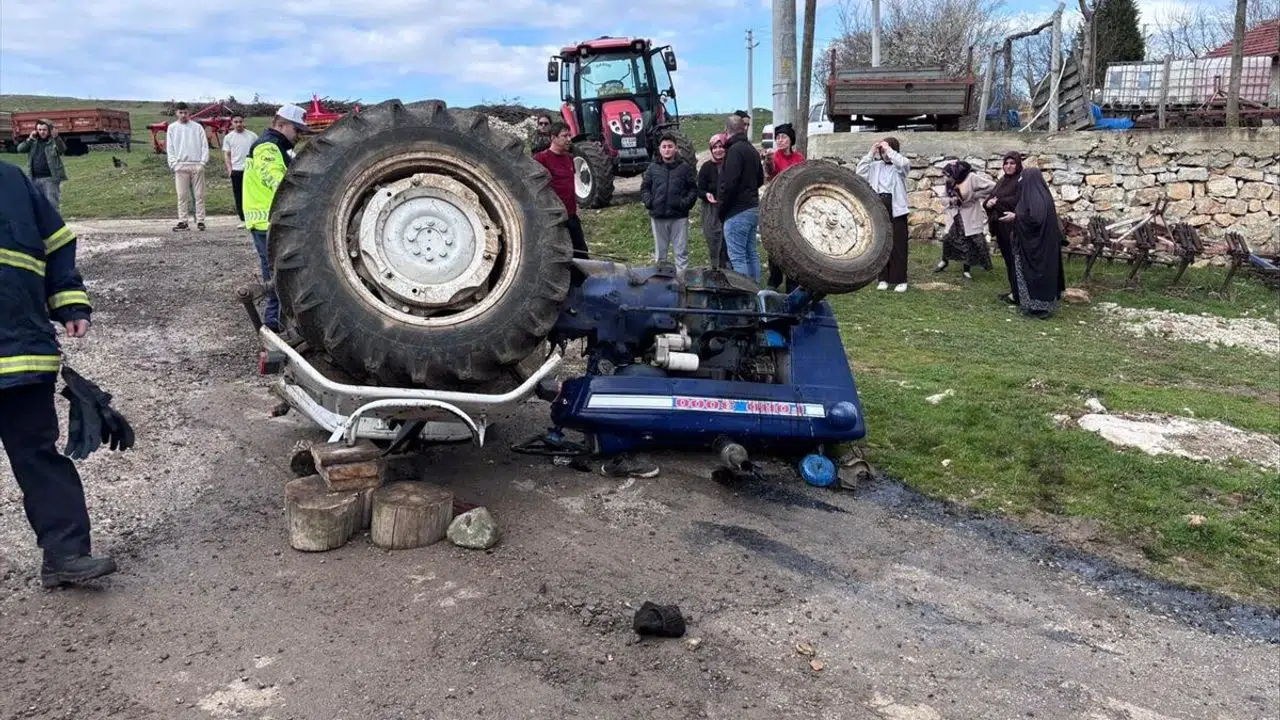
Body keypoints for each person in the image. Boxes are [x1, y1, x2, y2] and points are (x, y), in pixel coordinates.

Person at [0, 161, 117, 588]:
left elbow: (57, 243)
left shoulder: (13, 181)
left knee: (39, 456)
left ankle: (66, 554)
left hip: (22, 353)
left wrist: (70, 303)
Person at [242, 105, 314, 333]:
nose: (298, 135)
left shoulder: (275, 146)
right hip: (267, 222)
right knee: (277, 275)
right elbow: (276, 181)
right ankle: (274, 323)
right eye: (296, 129)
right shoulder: (268, 147)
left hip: (268, 221)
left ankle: (279, 321)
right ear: (281, 125)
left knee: (277, 273)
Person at [996, 168, 1066, 319]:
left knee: (1036, 274)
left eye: (1022, 178)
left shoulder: (1036, 198)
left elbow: (1035, 219)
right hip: (1034, 245)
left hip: (1036, 247)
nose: (1020, 181)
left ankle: (1039, 308)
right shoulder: (1037, 195)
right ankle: (1031, 305)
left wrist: (1015, 218)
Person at [856, 137, 910, 292]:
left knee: (899, 243)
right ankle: (883, 278)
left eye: (885, 151)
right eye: (882, 151)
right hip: (879, 205)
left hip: (896, 207)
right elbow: (860, 172)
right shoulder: (875, 166)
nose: (884, 154)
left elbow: (905, 164)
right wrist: (871, 153)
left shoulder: (899, 167)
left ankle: (900, 279)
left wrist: (890, 150)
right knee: (881, 242)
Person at [641, 133, 698, 277]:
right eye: (664, 147)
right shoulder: (653, 168)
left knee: (681, 253)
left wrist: (684, 204)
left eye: (670, 146)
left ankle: (681, 283)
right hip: (658, 216)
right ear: (660, 149)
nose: (667, 150)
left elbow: (693, 188)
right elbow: (645, 187)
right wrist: (649, 202)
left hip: (679, 217)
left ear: (676, 148)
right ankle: (662, 284)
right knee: (661, 255)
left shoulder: (684, 168)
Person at [717, 114, 765, 282]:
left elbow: (728, 185)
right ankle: (756, 290)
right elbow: (760, 179)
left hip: (736, 211)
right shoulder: (752, 150)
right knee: (751, 252)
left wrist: (721, 210)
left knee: (737, 257)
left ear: (726, 131)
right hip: (752, 208)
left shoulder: (734, 151)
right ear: (743, 129)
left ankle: (744, 295)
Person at [533, 122, 589, 260]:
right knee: (558, 254)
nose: (569, 139)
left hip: (571, 214)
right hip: (554, 217)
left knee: (581, 252)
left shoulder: (569, 158)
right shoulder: (541, 159)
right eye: (564, 136)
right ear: (553, 138)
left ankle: (582, 280)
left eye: (569, 135)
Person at [763, 123, 806, 291]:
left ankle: (792, 281)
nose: (780, 140)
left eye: (783, 137)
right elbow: (770, 172)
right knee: (776, 243)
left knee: (794, 245)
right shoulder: (774, 157)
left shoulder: (799, 158)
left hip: (794, 206)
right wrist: (767, 161)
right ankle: (774, 279)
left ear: (791, 140)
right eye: (778, 138)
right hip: (777, 207)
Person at [936, 160, 995, 280]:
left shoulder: (971, 178)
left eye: (948, 175)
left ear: (956, 173)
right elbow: (943, 197)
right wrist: (950, 201)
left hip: (969, 214)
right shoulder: (949, 181)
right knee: (948, 239)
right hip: (955, 215)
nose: (946, 178)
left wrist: (976, 195)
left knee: (968, 242)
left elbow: (992, 186)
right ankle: (944, 261)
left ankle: (966, 270)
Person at [985, 151, 1024, 305]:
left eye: (1012, 163)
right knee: (1009, 261)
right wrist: (988, 203)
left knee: (1016, 261)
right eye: (1006, 163)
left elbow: (1019, 200)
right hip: (1001, 226)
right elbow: (992, 196)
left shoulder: (1021, 181)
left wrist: (997, 202)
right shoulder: (1002, 180)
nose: (1008, 166)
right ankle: (1014, 291)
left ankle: (1019, 294)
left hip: (1013, 227)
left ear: (1018, 164)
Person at [166, 102, 211, 232]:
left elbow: (204, 145)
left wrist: (203, 163)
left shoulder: (197, 127)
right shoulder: (172, 128)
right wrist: (174, 164)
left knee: (199, 195)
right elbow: (170, 147)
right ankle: (183, 221)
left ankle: (201, 220)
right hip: (180, 165)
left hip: (196, 164)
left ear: (189, 113)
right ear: (176, 113)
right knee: (182, 195)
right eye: (181, 112)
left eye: (185, 112)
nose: (183, 115)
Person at [696, 133, 731, 269]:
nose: (718, 150)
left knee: (728, 241)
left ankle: (729, 270)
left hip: (728, 208)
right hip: (711, 210)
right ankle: (716, 268)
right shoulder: (706, 167)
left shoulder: (731, 165)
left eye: (721, 146)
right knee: (713, 239)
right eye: (714, 147)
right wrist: (706, 194)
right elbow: (699, 189)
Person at [16, 119, 67, 211]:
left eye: (44, 130)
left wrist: (56, 138)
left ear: (49, 130)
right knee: (35, 204)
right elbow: (20, 149)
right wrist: (30, 139)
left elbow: (62, 150)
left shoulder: (53, 142)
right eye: (39, 130)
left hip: (50, 178)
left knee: (52, 204)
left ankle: (55, 224)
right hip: (33, 178)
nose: (42, 132)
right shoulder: (33, 142)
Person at [221, 114, 258, 222]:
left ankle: (253, 216)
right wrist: (229, 170)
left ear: (244, 122)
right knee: (239, 195)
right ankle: (243, 219)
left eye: (240, 122)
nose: (238, 124)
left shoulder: (252, 136)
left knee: (251, 194)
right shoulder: (228, 137)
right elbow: (227, 154)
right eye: (236, 122)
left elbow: (257, 153)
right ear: (232, 123)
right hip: (236, 170)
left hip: (250, 170)